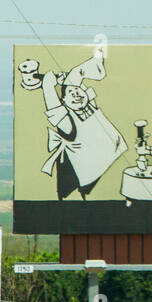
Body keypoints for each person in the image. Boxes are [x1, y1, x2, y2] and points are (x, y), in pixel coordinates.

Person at [22, 54, 127, 200]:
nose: (76, 94)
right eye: (70, 93)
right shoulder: (67, 121)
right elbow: (54, 107)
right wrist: (47, 86)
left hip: (110, 168)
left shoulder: (90, 107)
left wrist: (66, 80)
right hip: (88, 178)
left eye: (78, 91)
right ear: (63, 101)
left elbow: (77, 75)